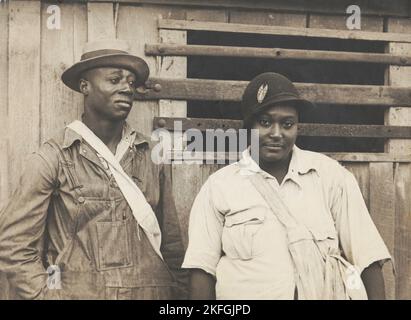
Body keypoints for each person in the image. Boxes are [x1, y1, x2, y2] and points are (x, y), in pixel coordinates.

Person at [0, 39, 186, 300]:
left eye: (131, 83)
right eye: (114, 79)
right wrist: (48, 295)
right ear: (84, 85)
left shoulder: (150, 155)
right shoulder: (54, 157)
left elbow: (173, 246)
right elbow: (14, 246)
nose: (126, 88)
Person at [182, 72, 392, 300]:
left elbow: (368, 260)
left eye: (287, 124)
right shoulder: (220, 186)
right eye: (265, 123)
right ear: (248, 126)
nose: (276, 133)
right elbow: (201, 271)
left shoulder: (332, 177)